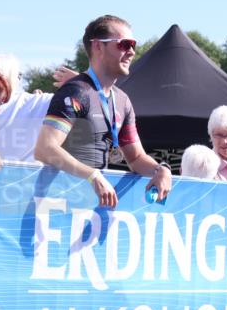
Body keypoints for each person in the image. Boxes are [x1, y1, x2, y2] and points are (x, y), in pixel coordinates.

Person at [34, 15, 172, 207]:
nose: (131, 52)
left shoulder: (122, 101)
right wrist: (92, 175)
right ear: (98, 46)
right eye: (124, 44)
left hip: (91, 205)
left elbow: (136, 158)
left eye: (133, 45)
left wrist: (161, 170)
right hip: (58, 204)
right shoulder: (76, 91)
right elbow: (44, 148)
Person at [0, 54, 54, 162]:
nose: (19, 78)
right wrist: (75, 79)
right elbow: (73, 98)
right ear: (12, 76)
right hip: (24, 172)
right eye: (18, 74)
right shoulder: (36, 102)